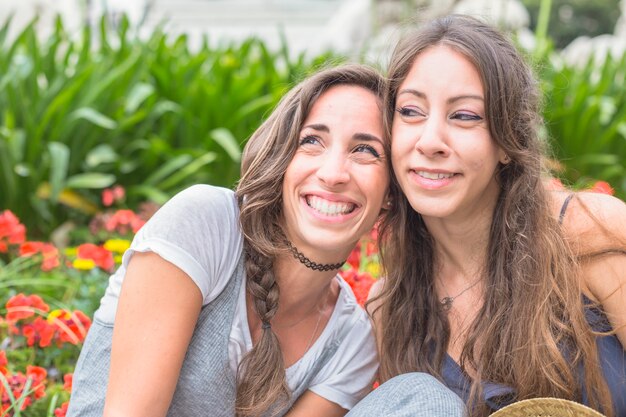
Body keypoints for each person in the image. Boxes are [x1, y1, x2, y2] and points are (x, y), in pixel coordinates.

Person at [67, 64, 391, 417]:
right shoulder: (206, 225)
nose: (332, 174)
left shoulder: (350, 343)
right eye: (311, 141)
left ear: (392, 192)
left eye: (365, 151)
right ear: (282, 158)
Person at [349, 14, 626, 417]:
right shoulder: (391, 310)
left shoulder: (586, 231)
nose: (430, 141)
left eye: (464, 116)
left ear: (508, 142)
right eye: (410, 111)